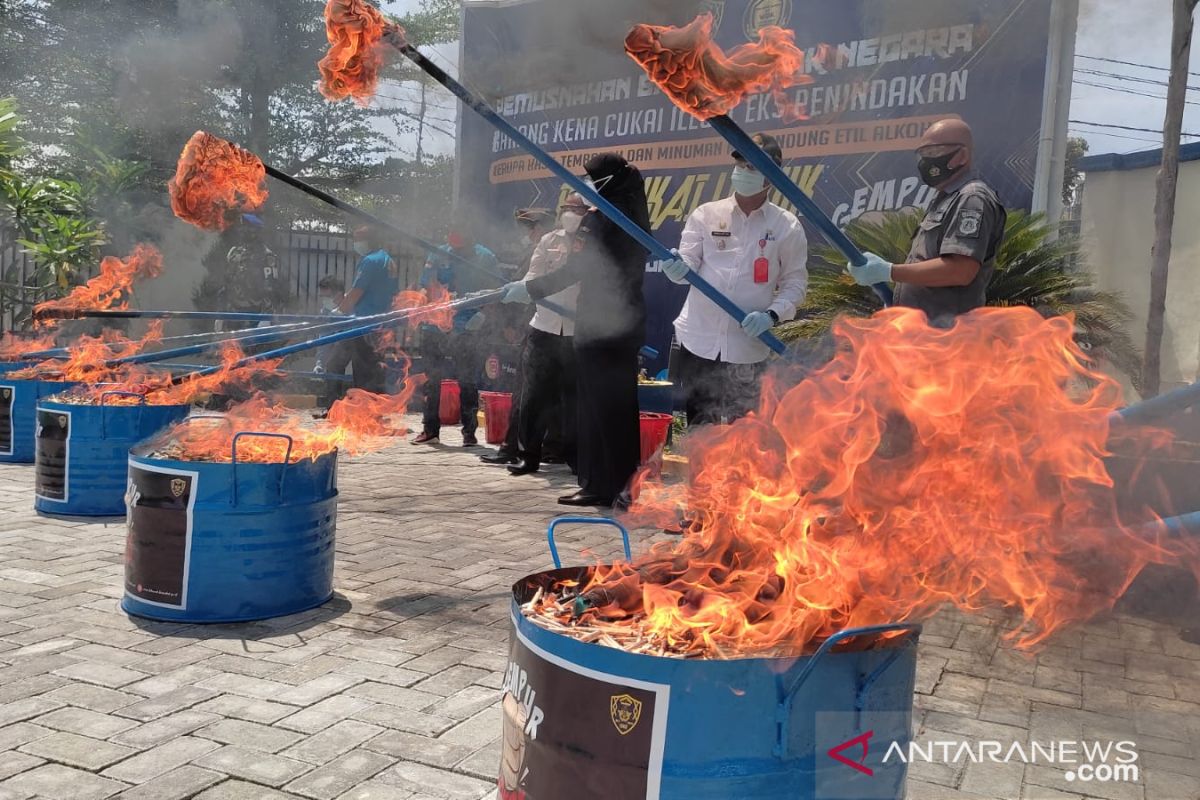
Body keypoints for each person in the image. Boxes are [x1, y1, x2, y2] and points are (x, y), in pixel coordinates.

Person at [502, 154, 649, 507]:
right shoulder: (628, 213)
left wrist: (531, 289)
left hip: (604, 325)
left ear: (607, 181)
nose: (585, 185)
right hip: (613, 324)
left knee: (604, 411)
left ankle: (608, 486)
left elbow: (578, 269)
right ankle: (612, 485)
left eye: (590, 179)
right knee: (608, 410)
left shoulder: (607, 218)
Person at [662, 133, 809, 426]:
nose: (743, 172)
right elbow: (688, 262)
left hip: (748, 345)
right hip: (698, 339)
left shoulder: (786, 226)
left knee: (746, 430)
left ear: (772, 176)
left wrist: (771, 315)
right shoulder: (706, 214)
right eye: (740, 164)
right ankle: (702, 473)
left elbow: (796, 284)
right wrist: (677, 268)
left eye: (752, 167)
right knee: (701, 426)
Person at [846, 118, 1007, 324]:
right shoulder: (946, 199)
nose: (926, 161)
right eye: (923, 154)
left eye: (934, 152)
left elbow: (960, 271)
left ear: (962, 156)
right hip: (921, 335)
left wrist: (890, 271)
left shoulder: (971, 198)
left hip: (946, 338)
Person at [505, 194, 588, 476]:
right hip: (544, 326)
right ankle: (528, 456)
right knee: (534, 396)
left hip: (578, 332)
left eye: (577, 209)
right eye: (566, 208)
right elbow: (533, 276)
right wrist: (520, 289)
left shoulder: (593, 244)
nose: (571, 213)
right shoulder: (548, 240)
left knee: (574, 398)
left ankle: (577, 458)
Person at [482, 207, 558, 465]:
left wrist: (510, 323)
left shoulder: (552, 251)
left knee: (527, 391)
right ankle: (521, 448)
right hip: (534, 327)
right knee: (530, 391)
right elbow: (513, 290)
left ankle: (514, 448)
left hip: (542, 328)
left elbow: (525, 292)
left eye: (531, 228)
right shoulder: (538, 250)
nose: (529, 234)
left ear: (542, 227)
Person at [413, 223, 501, 446]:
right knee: (432, 380)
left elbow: (496, 292)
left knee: (467, 381)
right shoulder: (438, 252)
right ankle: (430, 429)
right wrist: (433, 313)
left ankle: (469, 432)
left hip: (466, 328)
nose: (457, 250)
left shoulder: (486, 258)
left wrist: (482, 315)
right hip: (435, 327)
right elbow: (428, 285)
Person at [321, 225, 398, 406]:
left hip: (363, 325)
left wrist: (339, 311)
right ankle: (342, 409)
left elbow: (358, 291)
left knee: (363, 370)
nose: (356, 243)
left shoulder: (370, 260)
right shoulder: (388, 260)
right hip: (377, 324)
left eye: (357, 239)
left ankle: (363, 412)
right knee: (345, 365)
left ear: (368, 240)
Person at [313, 274, 345, 376]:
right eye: (322, 297)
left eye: (327, 297)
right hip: (340, 347)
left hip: (356, 343)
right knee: (333, 365)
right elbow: (323, 338)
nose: (324, 300)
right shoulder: (326, 312)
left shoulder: (354, 309)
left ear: (339, 294)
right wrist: (320, 364)